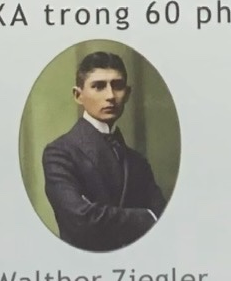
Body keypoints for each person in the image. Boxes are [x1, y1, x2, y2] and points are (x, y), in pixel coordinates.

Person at [41, 51, 166, 253]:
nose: (110, 96)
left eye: (117, 86)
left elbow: (164, 220)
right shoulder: (60, 153)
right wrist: (147, 217)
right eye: (98, 86)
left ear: (128, 93)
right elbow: (82, 219)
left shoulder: (137, 162)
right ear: (78, 95)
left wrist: (102, 214)